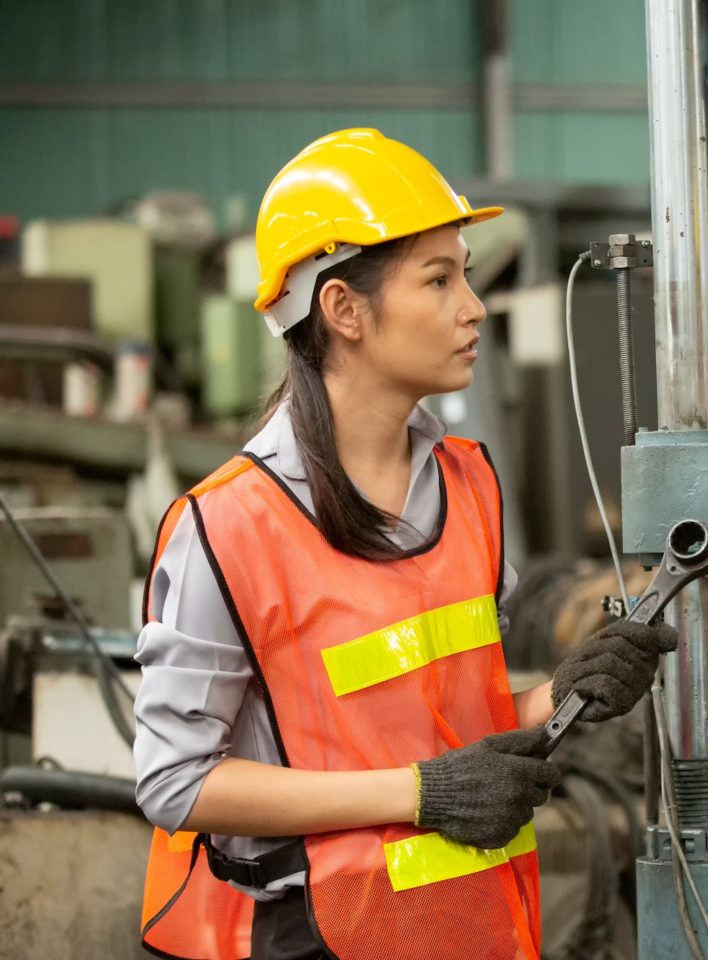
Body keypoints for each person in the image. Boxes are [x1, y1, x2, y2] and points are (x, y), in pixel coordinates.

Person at [132, 128, 675, 960]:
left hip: (475, 926)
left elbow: (452, 719)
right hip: (322, 937)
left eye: (465, 273)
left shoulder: (468, 482)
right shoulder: (230, 524)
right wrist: (421, 793)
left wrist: (562, 694)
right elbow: (177, 781)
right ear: (343, 309)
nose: (473, 305)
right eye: (439, 278)